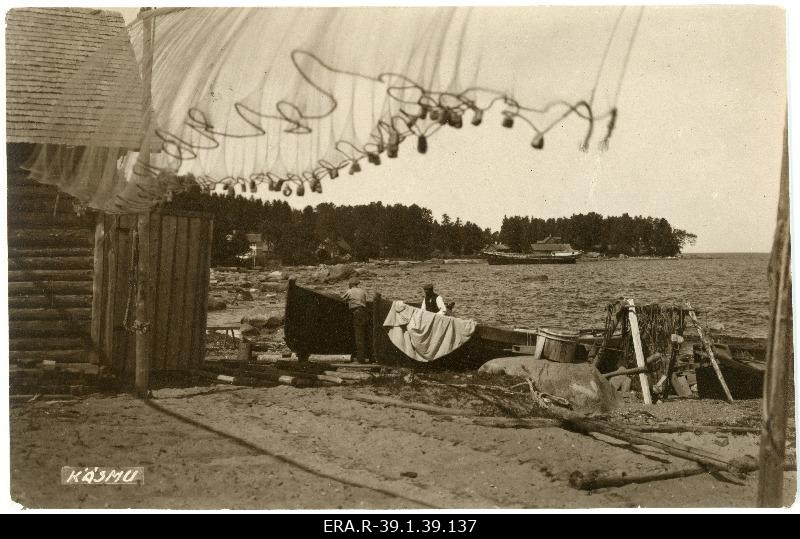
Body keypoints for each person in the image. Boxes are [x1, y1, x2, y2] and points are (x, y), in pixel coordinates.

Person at [342, 278, 370, 363]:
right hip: (364, 313)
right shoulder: (363, 291)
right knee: (364, 334)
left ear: (351, 284)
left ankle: (360, 359)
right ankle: (367, 357)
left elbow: (343, 299)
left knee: (359, 336)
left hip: (357, 313)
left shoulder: (350, 291)